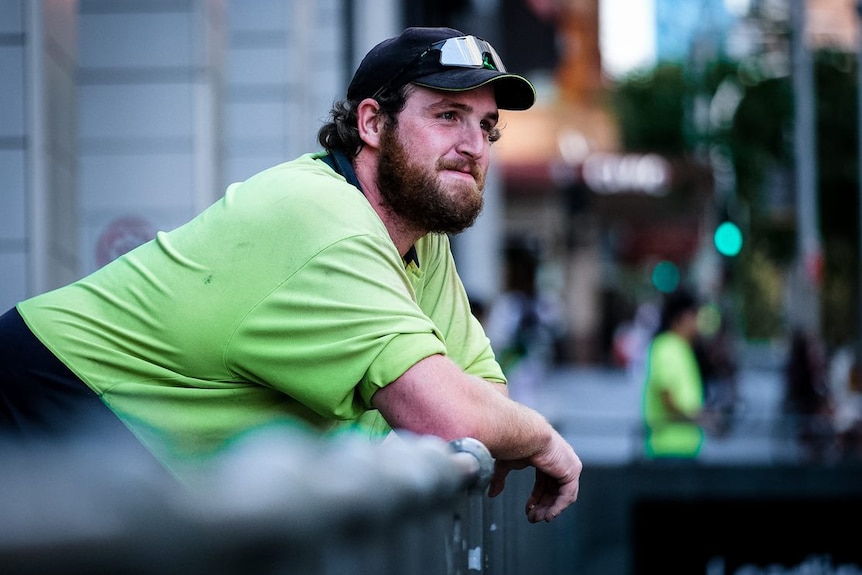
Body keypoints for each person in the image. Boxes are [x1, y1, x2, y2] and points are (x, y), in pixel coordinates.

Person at [0, 27, 581, 523]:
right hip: (43, 404)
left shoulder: (418, 243)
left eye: (487, 127)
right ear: (373, 123)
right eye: (449, 115)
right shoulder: (323, 218)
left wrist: (505, 424)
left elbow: (482, 396)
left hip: (134, 457)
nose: (473, 145)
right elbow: (450, 418)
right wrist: (541, 436)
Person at [641, 288, 713, 460]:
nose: (697, 322)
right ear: (679, 318)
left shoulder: (682, 348)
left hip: (684, 449)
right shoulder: (666, 347)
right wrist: (701, 418)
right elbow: (668, 399)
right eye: (694, 315)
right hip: (668, 451)